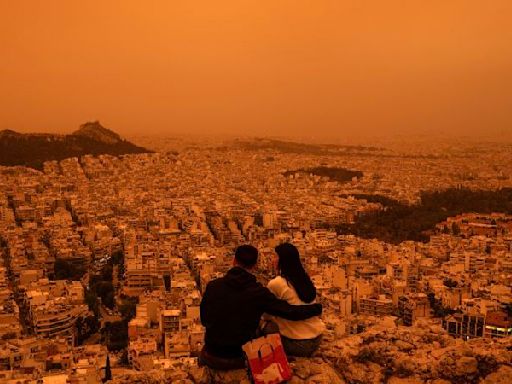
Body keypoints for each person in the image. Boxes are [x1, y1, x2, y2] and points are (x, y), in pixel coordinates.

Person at [199, 244, 322, 369]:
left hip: (212, 355)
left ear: (233, 261)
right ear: (255, 265)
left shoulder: (212, 286)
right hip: (240, 356)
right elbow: (289, 311)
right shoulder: (258, 293)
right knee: (263, 324)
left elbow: (204, 320)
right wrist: (316, 309)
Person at [265, 243, 325, 357]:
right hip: (317, 340)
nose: (273, 260)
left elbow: (267, 315)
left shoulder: (276, 283)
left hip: (298, 345)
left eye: (275, 256)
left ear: (283, 260)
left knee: (265, 325)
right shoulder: (304, 280)